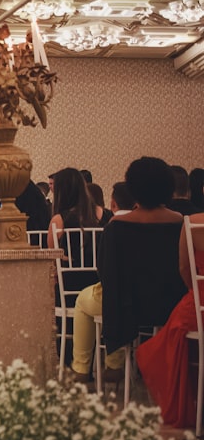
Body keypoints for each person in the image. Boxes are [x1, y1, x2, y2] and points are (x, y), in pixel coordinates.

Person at [70, 157, 185, 385]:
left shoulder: (117, 227)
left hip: (127, 307)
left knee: (84, 301)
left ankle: (86, 369)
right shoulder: (181, 222)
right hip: (170, 305)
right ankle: (115, 364)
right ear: (168, 188)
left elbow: (106, 271)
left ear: (133, 188)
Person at [136, 210, 204, 429]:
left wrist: (195, 292)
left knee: (167, 340)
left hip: (200, 303)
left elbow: (185, 268)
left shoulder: (192, 223)